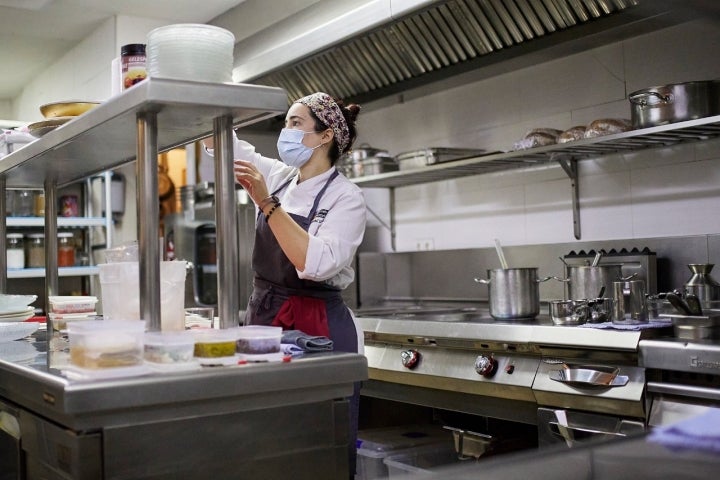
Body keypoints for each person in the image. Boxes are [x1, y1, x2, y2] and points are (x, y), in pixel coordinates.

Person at [206, 92, 366, 478]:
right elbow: (224, 147)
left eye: (296, 124)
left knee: (313, 442)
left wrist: (267, 204)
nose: (286, 132)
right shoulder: (280, 177)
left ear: (325, 135)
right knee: (264, 438)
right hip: (265, 317)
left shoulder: (347, 198)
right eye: (286, 122)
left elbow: (313, 263)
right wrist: (206, 106)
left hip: (319, 328)